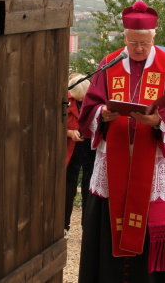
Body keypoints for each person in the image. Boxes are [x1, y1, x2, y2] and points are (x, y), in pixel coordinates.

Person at [77, 0, 165, 283]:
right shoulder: (110, 62)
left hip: (150, 159)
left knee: (150, 228)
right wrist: (103, 113)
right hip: (114, 157)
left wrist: (158, 120)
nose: (139, 48)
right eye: (133, 42)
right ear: (124, 38)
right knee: (108, 218)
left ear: (154, 37)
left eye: (144, 42)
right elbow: (89, 107)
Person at [65, 74, 96, 236]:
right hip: (71, 148)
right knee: (68, 187)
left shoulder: (93, 97)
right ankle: (64, 226)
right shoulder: (65, 98)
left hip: (91, 146)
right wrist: (69, 132)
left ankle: (88, 226)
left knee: (89, 187)